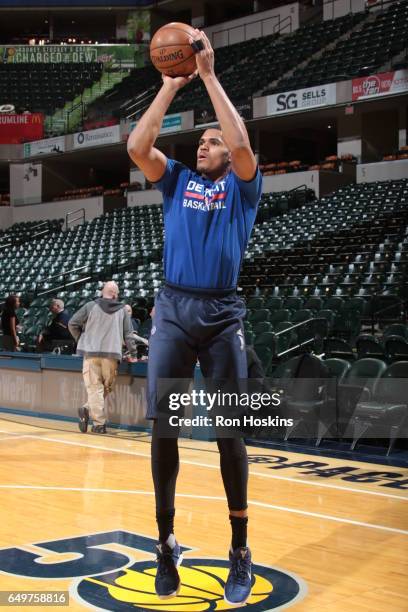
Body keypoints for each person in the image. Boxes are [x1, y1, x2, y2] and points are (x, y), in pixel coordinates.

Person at [127, 29, 262, 606]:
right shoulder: (177, 181)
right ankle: (164, 543)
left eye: (212, 141)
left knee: (231, 433)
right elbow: (137, 147)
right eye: (202, 141)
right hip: (175, 310)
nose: (206, 146)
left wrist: (207, 76)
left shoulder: (242, 189)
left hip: (222, 313)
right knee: (164, 428)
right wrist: (167, 86)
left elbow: (241, 144)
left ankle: (239, 547)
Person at [68, 281, 138, 434]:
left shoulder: (90, 306)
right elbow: (128, 334)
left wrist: (81, 339)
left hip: (91, 355)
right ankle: (98, 421)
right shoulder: (123, 311)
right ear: (115, 294)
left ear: (103, 292)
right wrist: (133, 353)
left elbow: (72, 323)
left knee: (95, 389)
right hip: (111, 356)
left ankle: (92, 415)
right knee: (106, 388)